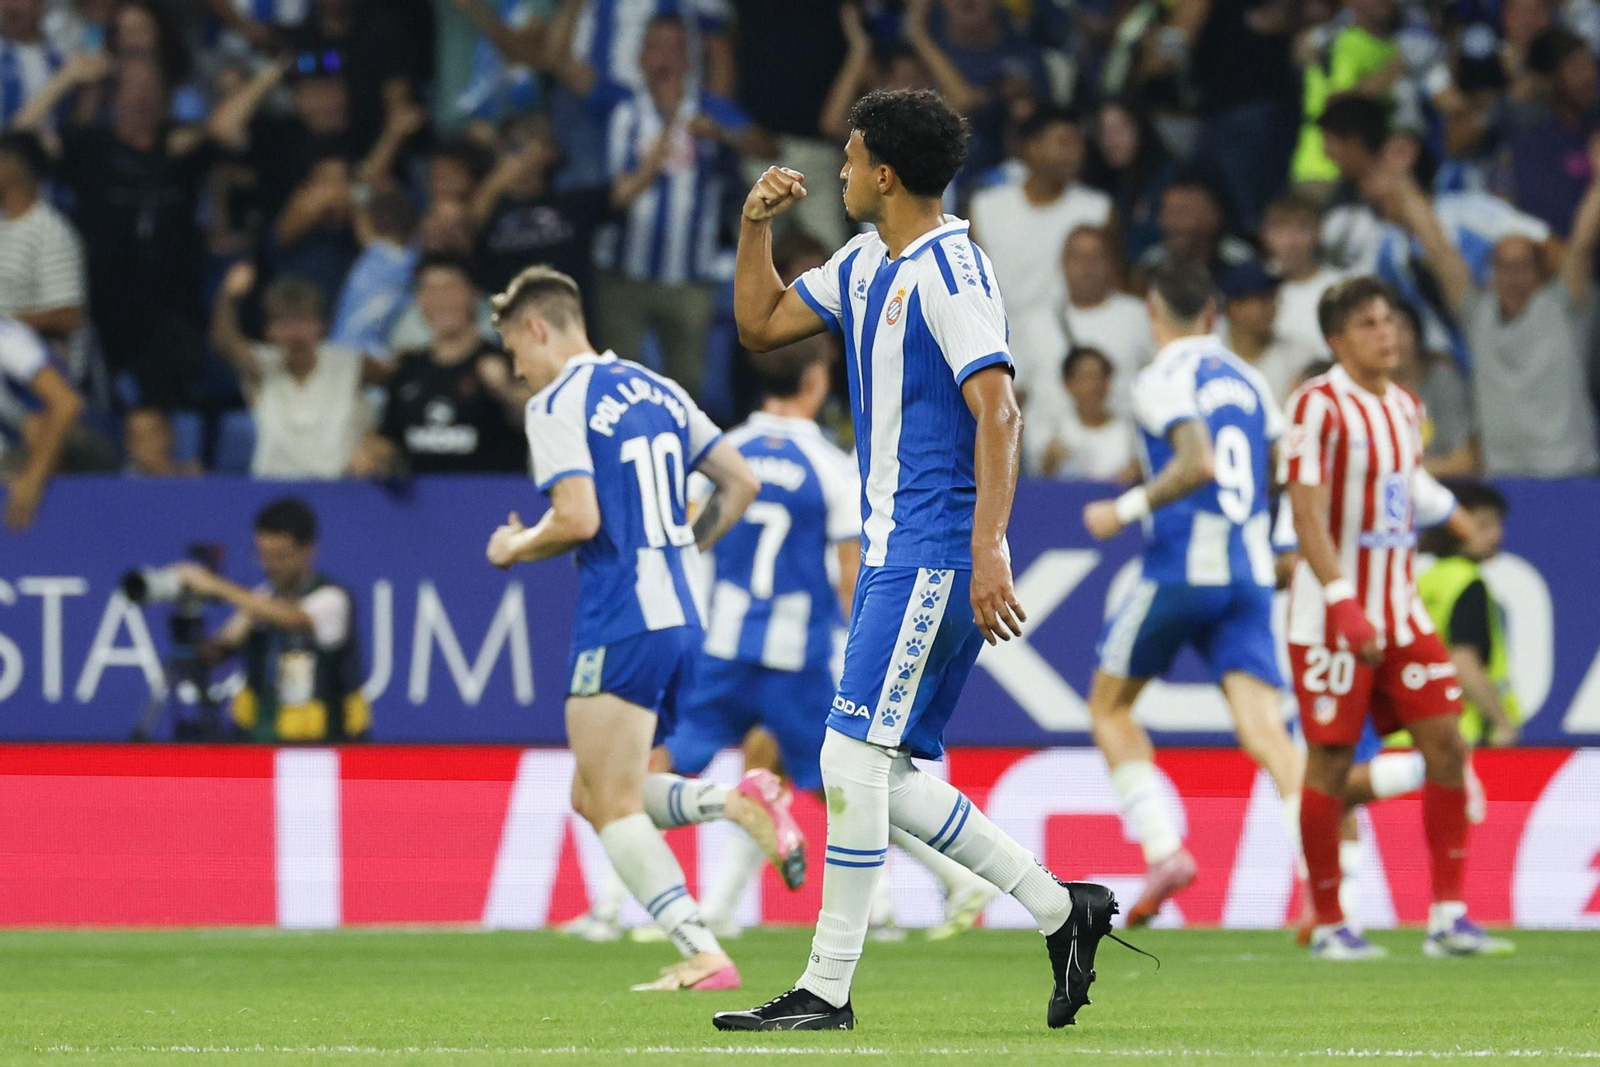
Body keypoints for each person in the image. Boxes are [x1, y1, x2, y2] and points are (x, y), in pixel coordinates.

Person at [719, 88, 1123, 1033]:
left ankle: (826, 986)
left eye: (852, 157)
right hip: (910, 552)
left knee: (848, 758)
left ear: (885, 172)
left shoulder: (952, 270)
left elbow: (1001, 410)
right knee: (876, 771)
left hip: (935, 551)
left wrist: (987, 547)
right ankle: (1065, 908)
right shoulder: (866, 261)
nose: (843, 171)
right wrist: (752, 228)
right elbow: (761, 325)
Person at [483, 264, 801, 994]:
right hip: (681, 612)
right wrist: (685, 545)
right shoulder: (655, 386)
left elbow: (578, 518)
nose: (516, 368)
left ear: (538, 327)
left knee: (613, 800)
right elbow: (740, 483)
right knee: (596, 794)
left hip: (620, 614)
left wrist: (514, 546)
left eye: (512, 350)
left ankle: (702, 950)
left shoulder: (556, 402)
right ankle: (734, 800)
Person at [655, 346, 998, 943]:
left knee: (664, 769)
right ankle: (942, 882)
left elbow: (687, 547)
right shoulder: (833, 466)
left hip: (725, 648)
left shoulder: (723, 452)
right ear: (817, 381)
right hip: (799, 656)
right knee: (850, 780)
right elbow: (850, 576)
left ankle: (651, 906)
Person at [1281, 275, 1512, 959]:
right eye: (1370, 324)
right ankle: (1328, 921)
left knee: (1447, 743)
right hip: (1330, 617)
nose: (1390, 333)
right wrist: (1341, 599)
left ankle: (1447, 915)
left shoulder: (1406, 407)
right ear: (1337, 339)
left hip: (1401, 610)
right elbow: (1306, 510)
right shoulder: (1316, 405)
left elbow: (1402, 480)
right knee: (1328, 762)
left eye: (1392, 321)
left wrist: (1452, 513)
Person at [1078, 259, 1304, 928]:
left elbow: (1195, 459)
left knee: (1109, 707)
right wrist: (1281, 540)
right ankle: (1325, 881)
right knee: (1266, 730)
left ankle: (1163, 848)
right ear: (1213, 314)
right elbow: (1285, 468)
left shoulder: (1161, 378)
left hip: (1183, 565)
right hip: (1251, 570)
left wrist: (1120, 511)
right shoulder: (1250, 378)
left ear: (1154, 314)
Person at [1397, 134, 1600, 477]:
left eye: (1522, 265)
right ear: (1491, 272)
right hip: (1504, 476)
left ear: (1540, 272)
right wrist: (1401, 181)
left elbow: (1581, 242)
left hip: (1572, 472)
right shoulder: (1477, 313)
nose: (1511, 276)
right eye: (1502, 265)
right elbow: (1438, 250)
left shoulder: (1566, 308)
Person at [185, 497, 370, 743]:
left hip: (324, 745)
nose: (270, 566)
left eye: (281, 556)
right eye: (263, 555)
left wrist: (215, 586)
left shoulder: (332, 599)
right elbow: (218, 650)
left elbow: (294, 618)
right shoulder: (261, 599)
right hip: (261, 741)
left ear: (309, 550)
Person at [969, 107, 1113, 401]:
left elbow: (1114, 288)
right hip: (998, 351)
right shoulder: (986, 207)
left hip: (1070, 355)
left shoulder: (1098, 209)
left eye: (1079, 144)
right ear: (1031, 148)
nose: (1075, 153)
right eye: (1064, 143)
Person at [351, 257, 527, 476]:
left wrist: (506, 390)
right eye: (429, 290)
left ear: (474, 295)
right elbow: (390, 440)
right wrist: (373, 453)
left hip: (493, 502)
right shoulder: (407, 368)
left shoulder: (510, 361)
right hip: (422, 506)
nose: (441, 301)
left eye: (450, 289)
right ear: (418, 300)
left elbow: (538, 424)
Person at [210, 263, 383, 479]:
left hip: (341, 488)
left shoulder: (351, 362)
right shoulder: (261, 365)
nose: (295, 334)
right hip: (273, 487)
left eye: (304, 322)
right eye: (284, 324)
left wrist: (377, 441)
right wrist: (228, 296)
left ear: (322, 325)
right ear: (268, 331)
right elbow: (226, 343)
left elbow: (400, 381)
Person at [1418, 482, 1520, 748]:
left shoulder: (1423, 579)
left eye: (1497, 524)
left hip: (1410, 732)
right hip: (1460, 736)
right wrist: (1502, 723)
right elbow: (1463, 662)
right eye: (1483, 526)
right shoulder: (1467, 583)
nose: (1496, 535)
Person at [0, 132, 85, 375]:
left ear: (11, 167)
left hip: (39, 370)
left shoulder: (49, 231)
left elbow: (69, 317)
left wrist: (8, 325)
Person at [1056, 225, 1154, 412]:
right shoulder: (1035, 323)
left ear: (1112, 263)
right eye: (1078, 256)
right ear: (1061, 262)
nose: (1087, 265)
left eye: (1096, 256)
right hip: (1054, 439)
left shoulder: (1138, 315)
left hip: (1125, 437)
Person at [0, 313, 81, 529]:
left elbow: (67, 404)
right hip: (13, 442)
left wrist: (32, 481)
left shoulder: (5, 338)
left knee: (35, 427)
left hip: (73, 440)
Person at [1218, 261, 1320, 406]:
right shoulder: (1209, 355)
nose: (1271, 307)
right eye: (1261, 299)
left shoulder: (1299, 357)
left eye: (1273, 298)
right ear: (1233, 307)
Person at [1028, 347, 1136, 481]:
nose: (1094, 386)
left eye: (1100, 376)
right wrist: (1048, 465)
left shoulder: (1131, 432)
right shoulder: (1054, 431)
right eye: (1085, 377)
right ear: (1067, 383)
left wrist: (1136, 472)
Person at [1260, 193, 1342, 358]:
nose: (1290, 241)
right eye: (1280, 228)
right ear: (1264, 234)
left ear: (1318, 232)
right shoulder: (1251, 289)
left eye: (1301, 228)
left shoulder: (1341, 288)